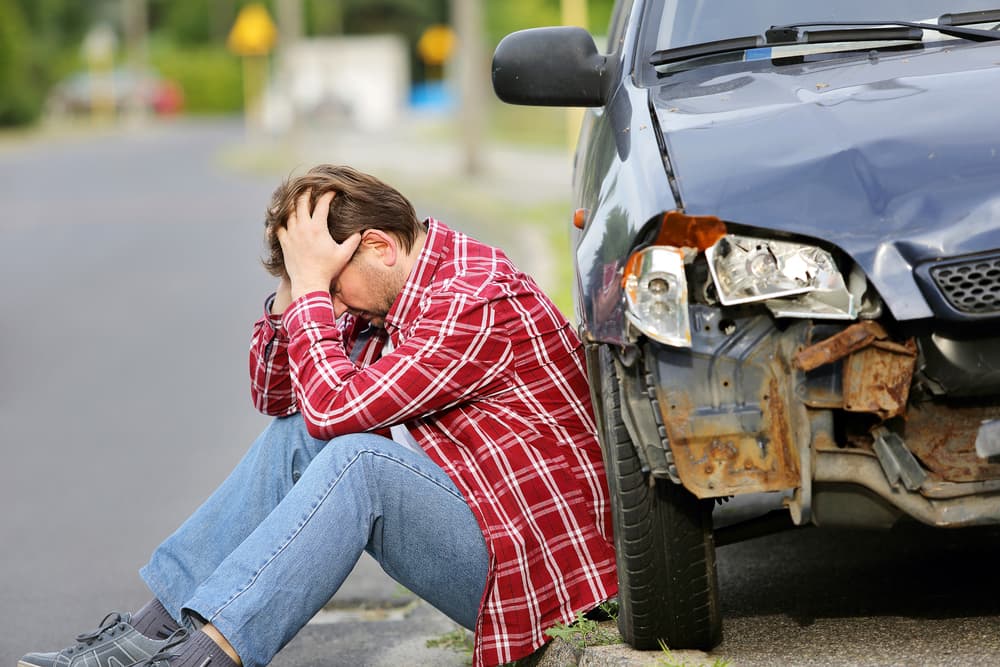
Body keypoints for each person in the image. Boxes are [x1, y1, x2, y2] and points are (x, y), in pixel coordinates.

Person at [18, 165, 617, 667]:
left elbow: (335, 409)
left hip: (554, 582)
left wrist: (311, 290)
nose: (327, 305)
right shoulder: (387, 291)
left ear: (379, 246)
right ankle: (144, 638)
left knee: (359, 461)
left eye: (331, 283)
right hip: (496, 543)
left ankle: (199, 658)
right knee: (297, 436)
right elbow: (280, 397)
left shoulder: (475, 297)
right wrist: (297, 286)